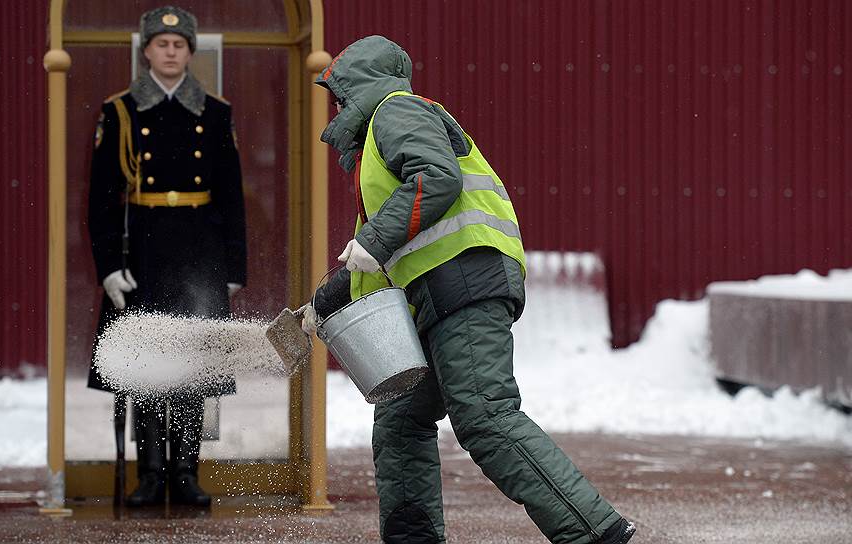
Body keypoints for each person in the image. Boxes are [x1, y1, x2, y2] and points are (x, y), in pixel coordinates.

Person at [303, 36, 635, 544]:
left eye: (339, 94)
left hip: (464, 281)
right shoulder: (375, 147)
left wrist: (373, 240)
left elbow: (437, 178)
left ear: (359, 85)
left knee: (484, 415)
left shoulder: (397, 111)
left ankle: (594, 533)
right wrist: (324, 302)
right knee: (400, 420)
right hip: (430, 296)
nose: (336, 107)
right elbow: (382, 254)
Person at [85, 5, 246, 508]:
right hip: (144, 250)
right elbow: (101, 199)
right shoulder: (120, 112)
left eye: (179, 45)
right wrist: (109, 268)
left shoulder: (215, 112)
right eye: (162, 44)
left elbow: (232, 197)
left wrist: (233, 269)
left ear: (191, 52)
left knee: (192, 365)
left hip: (199, 251)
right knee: (147, 364)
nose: (171, 52)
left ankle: (186, 473)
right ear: (147, 52)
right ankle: (151, 475)